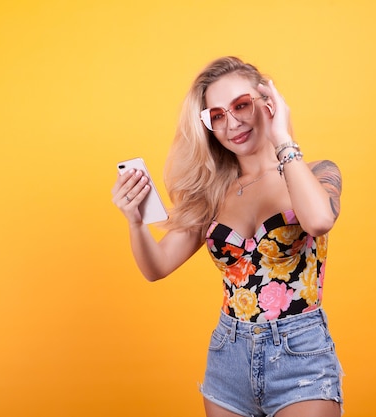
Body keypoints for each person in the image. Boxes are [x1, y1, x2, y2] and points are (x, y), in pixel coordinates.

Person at [111, 56, 343, 417]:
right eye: (217, 115)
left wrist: (283, 137)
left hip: (300, 355)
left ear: (268, 103)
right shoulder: (212, 193)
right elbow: (156, 267)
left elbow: (318, 221)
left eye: (241, 105)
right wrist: (135, 221)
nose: (232, 122)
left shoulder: (316, 173)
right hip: (228, 357)